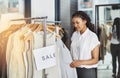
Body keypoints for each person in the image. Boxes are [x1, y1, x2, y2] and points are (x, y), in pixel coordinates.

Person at [70, 11, 100, 78]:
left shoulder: (92, 36)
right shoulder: (74, 34)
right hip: (74, 69)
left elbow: (95, 60)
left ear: (84, 21)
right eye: (73, 23)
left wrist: (80, 62)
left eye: (77, 23)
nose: (75, 25)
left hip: (87, 72)